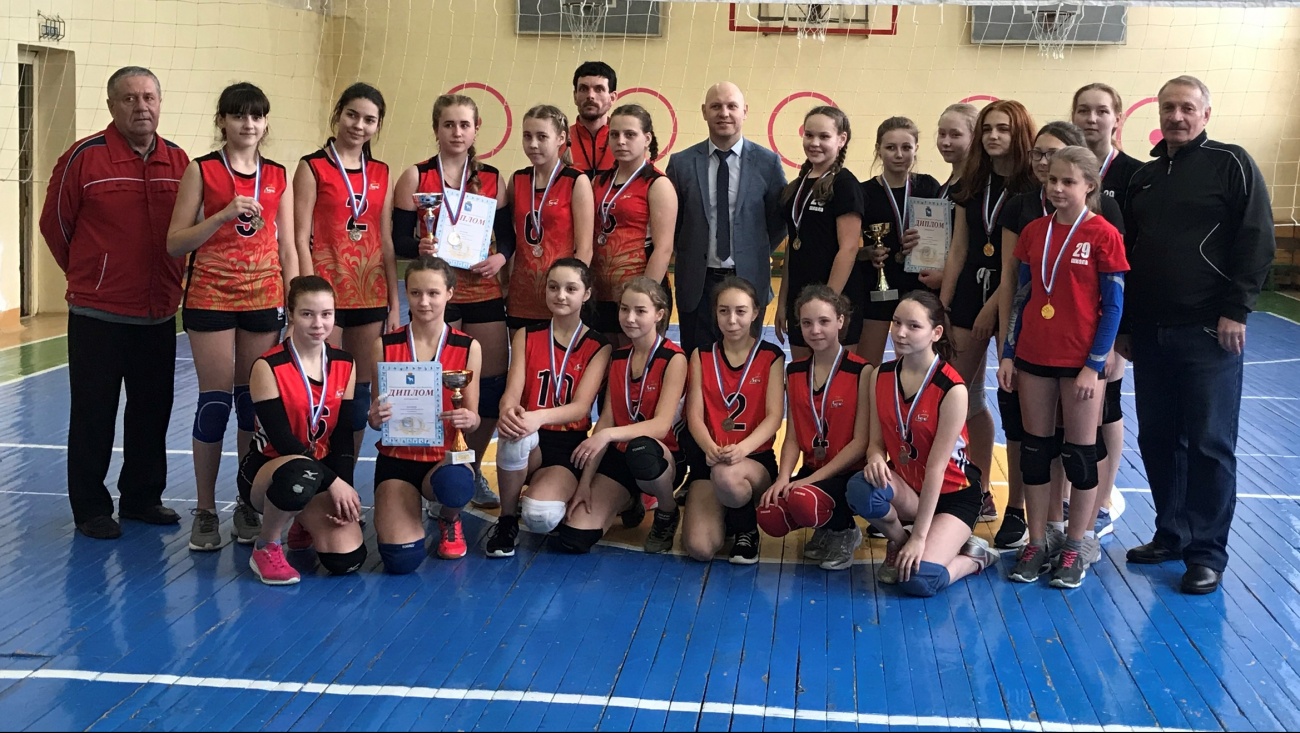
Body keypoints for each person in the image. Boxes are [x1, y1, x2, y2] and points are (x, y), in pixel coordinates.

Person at [1119, 75, 1275, 595]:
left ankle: (1207, 553)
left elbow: (1257, 237)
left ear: (1206, 114)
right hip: (1152, 333)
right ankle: (1172, 533)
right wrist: (1127, 326)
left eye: (1187, 108)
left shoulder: (1231, 163)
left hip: (1210, 331)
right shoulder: (1143, 179)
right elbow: (1130, 256)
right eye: (1169, 108)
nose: (1177, 116)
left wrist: (1237, 310)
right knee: (1159, 439)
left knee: (1209, 443)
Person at [40, 66, 189, 539]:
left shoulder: (179, 161)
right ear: (111, 106)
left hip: (158, 313)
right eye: (129, 98)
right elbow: (54, 224)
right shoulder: (83, 158)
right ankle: (90, 508)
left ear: (159, 103)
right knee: (94, 412)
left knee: (152, 410)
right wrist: (91, 275)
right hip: (97, 314)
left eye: (148, 97)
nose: (140, 106)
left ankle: (142, 497)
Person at [167, 82, 299, 551]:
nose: (249, 124)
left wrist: (296, 303)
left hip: (264, 297)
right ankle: (205, 509)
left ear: (265, 122)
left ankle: (246, 500)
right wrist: (221, 215)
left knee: (251, 405)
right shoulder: (202, 170)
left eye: (257, 116)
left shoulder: (278, 174)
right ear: (222, 120)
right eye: (239, 115)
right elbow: (175, 242)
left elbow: (287, 245)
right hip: (211, 297)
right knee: (215, 402)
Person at [999, 146, 1128, 589]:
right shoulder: (1034, 231)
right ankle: (1037, 542)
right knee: (1036, 451)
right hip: (1034, 356)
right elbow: (1021, 298)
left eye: (1068, 181)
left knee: (1079, 454)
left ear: (1089, 185)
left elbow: (1113, 307)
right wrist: (1009, 353)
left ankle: (1077, 542)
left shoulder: (1103, 234)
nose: (1057, 188)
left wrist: (1094, 365)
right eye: (1052, 179)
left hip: (1080, 364)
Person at [392, 93, 511, 509]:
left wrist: (501, 257)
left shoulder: (493, 178)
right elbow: (398, 238)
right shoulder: (416, 176)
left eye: (464, 125)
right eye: (448, 125)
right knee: (433, 385)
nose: (457, 132)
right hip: (435, 292)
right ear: (436, 129)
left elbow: (508, 236)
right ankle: (431, 469)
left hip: (482, 289)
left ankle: (468, 468)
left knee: (489, 387)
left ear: (476, 130)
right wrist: (418, 245)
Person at [846, 291, 997, 596]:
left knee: (919, 581)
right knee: (860, 487)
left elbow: (936, 469)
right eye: (896, 322)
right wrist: (875, 458)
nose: (900, 333)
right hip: (909, 490)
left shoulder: (952, 388)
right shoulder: (880, 375)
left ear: (935, 333)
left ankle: (974, 557)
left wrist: (920, 538)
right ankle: (899, 542)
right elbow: (876, 443)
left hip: (953, 496)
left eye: (913, 326)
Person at [938, 100, 1036, 532]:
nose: (994, 136)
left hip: (1012, 298)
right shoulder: (973, 181)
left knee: (1015, 403)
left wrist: (989, 309)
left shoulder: (1033, 185)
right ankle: (971, 490)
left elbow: (1016, 264)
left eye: (1003, 129)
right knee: (959, 395)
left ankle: (1017, 505)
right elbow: (959, 248)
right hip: (966, 297)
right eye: (988, 129)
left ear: (1020, 134)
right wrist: (944, 304)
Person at [294, 82, 401, 460]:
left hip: (370, 295)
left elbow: (385, 240)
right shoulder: (312, 167)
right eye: (352, 115)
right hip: (326, 297)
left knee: (357, 399)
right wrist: (306, 296)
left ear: (378, 126)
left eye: (369, 120)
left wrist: (393, 303)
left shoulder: (382, 172)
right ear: (338, 114)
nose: (359, 125)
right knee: (324, 393)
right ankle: (315, 474)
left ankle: (345, 475)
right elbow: (300, 236)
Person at [238, 276, 365, 585]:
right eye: (307, 314)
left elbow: (342, 435)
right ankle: (266, 546)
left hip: (318, 472)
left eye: (326, 314)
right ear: (291, 314)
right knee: (300, 473)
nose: (318, 324)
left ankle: (303, 522)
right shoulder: (267, 366)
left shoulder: (345, 364)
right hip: (270, 470)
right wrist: (334, 483)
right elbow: (283, 441)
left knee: (346, 560)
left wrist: (343, 491)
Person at [488, 259, 611, 557]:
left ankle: (546, 493)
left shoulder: (598, 345)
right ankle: (507, 520)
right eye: (553, 287)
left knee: (540, 518)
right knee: (514, 434)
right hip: (528, 437)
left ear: (586, 294)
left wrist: (538, 417)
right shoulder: (526, 335)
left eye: (571, 289)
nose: (561, 295)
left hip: (566, 445)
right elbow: (512, 393)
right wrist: (508, 411)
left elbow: (580, 408)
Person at [367, 257, 482, 572]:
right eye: (415, 293)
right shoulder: (384, 345)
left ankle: (449, 517)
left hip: (444, 459)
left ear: (449, 293)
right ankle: (404, 509)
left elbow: (473, 417)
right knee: (400, 559)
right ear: (406, 293)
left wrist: (468, 420)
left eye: (433, 293)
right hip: (397, 458)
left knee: (456, 484)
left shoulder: (468, 347)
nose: (424, 302)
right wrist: (374, 417)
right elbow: (376, 415)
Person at [563, 277, 688, 554]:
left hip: (660, 456)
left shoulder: (674, 358)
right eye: (624, 309)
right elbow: (606, 419)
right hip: (620, 455)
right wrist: (584, 484)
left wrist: (608, 434)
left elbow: (660, 426)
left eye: (640, 311)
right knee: (574, 537)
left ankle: (667, 511)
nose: (630, 318)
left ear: (659, 314)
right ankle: (630, 501)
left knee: (641, 450)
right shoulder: (619, 358)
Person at [666, 82, 788, 359]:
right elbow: (674, 223)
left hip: (747, 280)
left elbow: (778, 221)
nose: (724, 113)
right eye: (716, 106)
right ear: (704, 112)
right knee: (697, 362)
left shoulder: (768, 163)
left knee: (744, 363)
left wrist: (752, 251)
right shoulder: (681, 164)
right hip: (697, 283)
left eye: (732, 106)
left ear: (744, 111)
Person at [1071, 82, 1144, 538]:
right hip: (1073, 316)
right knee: (1078, 412)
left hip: (1112, 314)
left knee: (1108, 406)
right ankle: (1076, 496)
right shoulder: (1065, 172)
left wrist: (1121, 329)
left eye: (1101, 111)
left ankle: (1103, 498)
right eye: (1083, 110)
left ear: (1117, 117)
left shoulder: (1136, 174)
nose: (1092, 118)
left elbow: (1138, 251)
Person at [757, 285, 870, 571]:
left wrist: (810, 481)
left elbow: (861, 443)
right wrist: (783, 478)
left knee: (803, 500)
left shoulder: (862, 371)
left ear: (840, 321)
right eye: (807, 323)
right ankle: (825, 525)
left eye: (824, 321)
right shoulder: (795, 371)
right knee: (770, 514)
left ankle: (844, 531)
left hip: (848, 472)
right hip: (813, 468)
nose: (815, 330)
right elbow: (793, 437)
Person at [681, 277, 785, 565]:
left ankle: (746, 530)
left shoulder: (771, 356)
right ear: (715, 313)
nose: (732, 320)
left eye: (741, 311)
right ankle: (728, 513)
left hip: (753, 463)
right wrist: (710, 448)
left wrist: (742, 450)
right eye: (724, 311)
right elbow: (694, 415)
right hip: (711, 458)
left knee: (728, 476)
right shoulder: (701, 355)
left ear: (755, 313)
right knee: (700, 548)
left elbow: (774, 417)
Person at [773, 106, 865, 359]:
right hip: (800, 298)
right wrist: (783, 302)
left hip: (835, 299)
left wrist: (827, 305)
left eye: (824, 136)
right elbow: (794, 247)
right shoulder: (798, 185)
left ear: (841, 139)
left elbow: (848, 248)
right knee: (802, 374)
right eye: (809, 135)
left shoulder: (845, 185)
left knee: (836, 376)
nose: (814, 143)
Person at [590, 104, 678, 343]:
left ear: (647, 138)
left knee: (634, 361)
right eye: (614, 134)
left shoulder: (658, 184)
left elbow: (663, 248)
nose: (621, 141)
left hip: (638, 294)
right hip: (600, 293)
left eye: (630, 134)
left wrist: (642, 299)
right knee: (601, 360)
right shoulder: (598, 182)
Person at [858, 116, 942, 365]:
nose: (899, 154)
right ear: (878, 149)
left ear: (916, 149)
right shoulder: (863, 192)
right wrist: (868, 252)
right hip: (876, 286)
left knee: (915, 364)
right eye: (891, 147)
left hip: (919, 285)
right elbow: (851, 246)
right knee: (867, 364)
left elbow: (943, 238)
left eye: (906, 147)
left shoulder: (928, 186)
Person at [505, 105, 595, 332]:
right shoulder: (517, 180)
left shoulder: (576, 181)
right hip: (523, 294)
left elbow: (585, 248)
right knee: (522, 352)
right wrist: (505, 284)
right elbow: (511, 239)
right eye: (527, 136)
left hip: (560, 294)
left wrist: (573, 292)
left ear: (561, 138)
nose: (533, 144)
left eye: (542, 136)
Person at [916, 104, 977, 294]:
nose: (946, 142)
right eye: (942, 134)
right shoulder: (944, 187)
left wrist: (946, 276)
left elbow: (973, 246)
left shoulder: (976, 187)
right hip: (940, 286)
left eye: (955, 135)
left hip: (965, 288)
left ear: (975, 138)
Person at [568, 61, 618, 178]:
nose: (590, 95)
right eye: (583, 89)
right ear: (575, 96)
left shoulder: (626, 141)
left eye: (599, 89)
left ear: (612, 98)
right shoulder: (559, 141)